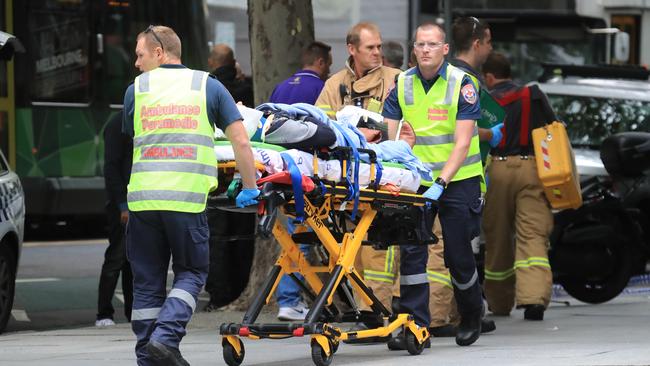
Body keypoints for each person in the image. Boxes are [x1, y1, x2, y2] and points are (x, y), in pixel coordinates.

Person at [123, 25, 259, 365]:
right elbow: (241, 141)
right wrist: (251, 187)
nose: (136, 64)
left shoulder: (135, 90)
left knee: (147, 284)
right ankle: (166, 338)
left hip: (142, 202)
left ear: (159, 52)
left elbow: (133, 138)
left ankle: (148, 356)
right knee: (193, 272)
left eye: (140, 55)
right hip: (185, 202)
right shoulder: (207, 86)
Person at [383, 22, 485, 347]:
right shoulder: (401, 83)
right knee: (412, 252)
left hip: (458, 181)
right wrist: (402, 143)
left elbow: (463, 142)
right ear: (413, 49)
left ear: (445, 50)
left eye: (432, 44)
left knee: (457, 254)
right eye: (420, 44)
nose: (425, 50)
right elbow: (391, 136)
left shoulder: (462, 84)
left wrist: (441, 182)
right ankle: (416, 326)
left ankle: (471, 314)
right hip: (417, 181)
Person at [315, 22, 402, 332]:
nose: (377, 52)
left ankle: (378, 309)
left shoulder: (395, 80)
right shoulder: (334, 85)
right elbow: (320, 126)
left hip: (384, 176)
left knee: (380, 248)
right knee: (353, 248)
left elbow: (405, 127)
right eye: (370, 47)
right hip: (347, 180)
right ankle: (368, 308)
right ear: (352, 49)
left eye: (379, 46)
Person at [481, 51, 555, 321]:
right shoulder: (532, 95)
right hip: (532, 168)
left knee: (497, 238)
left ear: (489, 76)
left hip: (497, 171)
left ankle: (499, 303)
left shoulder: (484, 100)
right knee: (532, 234)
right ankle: (533, 299)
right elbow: (554, 128)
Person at [266, 41, 331, 321]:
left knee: (295, 236)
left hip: (281, 169)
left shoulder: (281, 88)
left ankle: (294, 298)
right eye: (327, 64)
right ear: (319, 62)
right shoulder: (319, 89)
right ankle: (289, 300)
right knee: (302, 237)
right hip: (306, 172)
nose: (329, 69)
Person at [96, 111, 133, 328]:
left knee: (132, 260)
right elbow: (111, 168)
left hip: (135, 199)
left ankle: (131, 310)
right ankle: (104, 313)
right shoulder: (117, 124)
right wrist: (122, 204)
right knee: (116, 258)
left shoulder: (137, 120)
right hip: (122, 203)